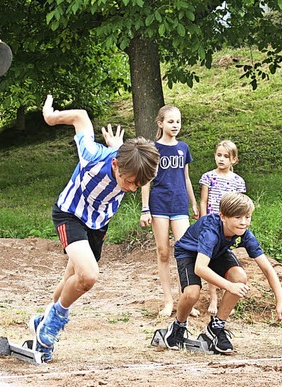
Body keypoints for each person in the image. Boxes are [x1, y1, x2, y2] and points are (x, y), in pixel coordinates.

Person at [31, 94, 160, 362]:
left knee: (72, 279)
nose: (132, 188)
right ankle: (54, 322)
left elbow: (132, 165)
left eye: (138, 185)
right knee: (88, 276)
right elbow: (81, 117)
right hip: (71, 214)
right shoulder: (92, 155)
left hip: (98, 224)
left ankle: (43, 324)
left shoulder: (127, 164)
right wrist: (50, 117)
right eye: (130, 182)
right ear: (115, 165)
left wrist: (120, 148)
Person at [163, 192, 282, 354]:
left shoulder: (244, 234)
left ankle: (216, 328)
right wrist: (229, 286)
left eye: (247, 217)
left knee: (240, 277)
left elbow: (267, 268)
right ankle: (178, 326)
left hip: (216, 252)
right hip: (190, 252)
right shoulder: (211, 231)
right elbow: (200, 268)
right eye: (238, 217)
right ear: (223, 217)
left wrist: (281, 300)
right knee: (192, 293)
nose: (243, 223)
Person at [140, 105, 199, 318]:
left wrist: (194, 203)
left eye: (178, 122)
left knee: (184, 252)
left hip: (180, 205)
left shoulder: (183, 148)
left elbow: (186, 178)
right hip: (159, 205)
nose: (175, 125)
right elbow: (146, 180)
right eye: (171, 121)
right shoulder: (154, 149)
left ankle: (187, 299)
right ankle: (168, 301)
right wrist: (145, 209)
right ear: (161, 123)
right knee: (163, 251)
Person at [199, 140, 246, 315]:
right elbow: (203, 201)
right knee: (208, 261)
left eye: (226, 156)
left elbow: (241, 206)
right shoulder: (208, 177)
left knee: (224, 260)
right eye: (219, 155)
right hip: (212, 225)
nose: (221, 159)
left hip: (229, 228)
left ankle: (227, 299)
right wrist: (203, 222)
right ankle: (213, 298)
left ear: (233, 160)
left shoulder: (238, 181)